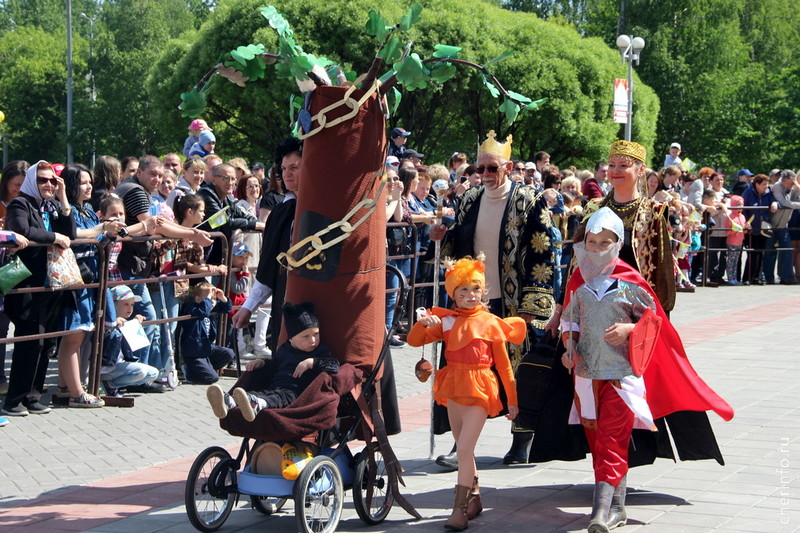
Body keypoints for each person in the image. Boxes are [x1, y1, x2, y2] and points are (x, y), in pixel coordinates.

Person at [560, 207, 733, 532]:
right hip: (585, 377)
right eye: (592, 242)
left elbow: (655, 321)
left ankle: (599, 513)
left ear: (617, 243)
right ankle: (618, 508)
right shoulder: (579, 279)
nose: (596, 248)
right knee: (599, 442)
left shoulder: (630, 279)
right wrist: (569, 346)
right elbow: (571, 321)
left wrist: (629, 331)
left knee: (612, 438)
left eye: (604, 242)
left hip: (623, 377)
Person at [429, 130, 555, 467]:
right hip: (473, 303)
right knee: (466, 372)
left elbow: (543, 253)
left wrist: (531, 311)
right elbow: (457, 245)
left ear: (508, 167)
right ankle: (463, 444)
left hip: (514, 303)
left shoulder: (529, 199)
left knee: (518, 372)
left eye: (491, 168)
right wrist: (440, 237)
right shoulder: (468, 200)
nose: (484, 175)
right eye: (479, 169)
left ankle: (522, 439)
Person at [407, 256, 525, 531]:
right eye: (463, 290)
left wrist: (513, 402)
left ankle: (458, 511)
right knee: (464, 450)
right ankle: (474, 499)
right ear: (453, 293)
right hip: (453, 386)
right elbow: (413, 341)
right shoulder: (446, 322)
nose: (470, 295)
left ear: (483, 292)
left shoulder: (491, 322)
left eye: (475, 289)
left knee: (463, 449)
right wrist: (423, 323)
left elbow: (505, 366)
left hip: (481, 387)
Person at [115, 155, 213, 370]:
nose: (157, 179)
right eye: (152, 174)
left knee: (143, 318)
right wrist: (193, 234)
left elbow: (157, 224)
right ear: (139, 172)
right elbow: (155, 227)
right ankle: (141, 370)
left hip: (132, 265)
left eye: (160, 175)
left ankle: (143, 371)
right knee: (147, 318)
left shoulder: (131, 189)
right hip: (128, 265)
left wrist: (191, 232)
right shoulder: (136, 192)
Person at [2, 161, 76, 416]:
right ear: (32, 181)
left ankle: (33, 396)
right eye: (43, 180)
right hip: (27, 283)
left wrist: (64, 200)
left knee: (46, 342)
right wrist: (54, 238)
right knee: (29, 341)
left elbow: (71, 234)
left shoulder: (52, 205)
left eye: (52, 180)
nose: (48, 184)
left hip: (51, 283)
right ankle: (14, 400)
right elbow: (22, 229)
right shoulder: (20, 204)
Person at [57, 164, 126, 407]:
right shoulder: (65, 209)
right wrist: (102, 229)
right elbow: (73, 234)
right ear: (72, 185)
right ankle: (77, 393)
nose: (89, 187)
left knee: (84, 333)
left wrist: (107, 234)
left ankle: (69, 386)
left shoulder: (87, 209)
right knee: (74, 336)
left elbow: (94, 236)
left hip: (92, 274)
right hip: (75, 276)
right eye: (84, 182)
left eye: (90, 182)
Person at [206, 301, 340, 422]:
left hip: (297, 393)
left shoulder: (319, 351)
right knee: (263, 394)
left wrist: (312, 362)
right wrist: (263, 363)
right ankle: (231, 401)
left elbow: (334, 365)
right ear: (292, 339)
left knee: (278, 398)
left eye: (316, 334)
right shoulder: (285, 349)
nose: (313, 340)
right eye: (306, 336)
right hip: (276, 386)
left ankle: (256, 404)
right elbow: (276, 364)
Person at [197, 163, 264, 267]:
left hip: (215, 254)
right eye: (226, 178)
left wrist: (259, 223)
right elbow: (222, 220)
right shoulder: (206, 193)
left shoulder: (227, 198)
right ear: (214, 180)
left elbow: (242, 215)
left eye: (233, 179)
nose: (231, 183)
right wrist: (253, 225)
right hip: (198, 250)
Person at [0, 160, 29, 395]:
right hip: (3, 270)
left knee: (18, 322)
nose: (18, 189)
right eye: (15, 184)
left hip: (20, 271)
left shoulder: (30, 205)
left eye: (23, 184)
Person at [101, 286, 160, 396]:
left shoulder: (124, 322)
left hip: (118, 365)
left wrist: (135, 322)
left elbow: (132, 342)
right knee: (140, 371)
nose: (130, 308)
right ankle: (110, 385)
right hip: (106, 368)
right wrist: (113, 323)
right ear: (113, 305)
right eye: (126, 304)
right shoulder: (106, 322)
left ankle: (112, 385)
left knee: (153, 373)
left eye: (132, 304)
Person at [179, 282, 234, 384]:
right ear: (198, 299)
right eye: (208, 298)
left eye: (213, 298)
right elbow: (202, 312)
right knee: (212, 379)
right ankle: (190, 372)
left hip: (206, 348)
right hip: (194, 352)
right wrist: (208, 300)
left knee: (229, 353)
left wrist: (222, 298)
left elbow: (227, 309)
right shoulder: (190, 308)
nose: (212, 301)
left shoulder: (208, 306)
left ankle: (205, 368)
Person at [765, 170, 800, 285]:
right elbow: (783, 202)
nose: (790, 186)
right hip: (772, 224)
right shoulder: (777, 186)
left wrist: (796, 185)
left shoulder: (792, 187)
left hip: (784, 225)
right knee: (770, 251)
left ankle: (786, 277)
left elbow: (795, 198)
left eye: (792, 183)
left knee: (787, 250)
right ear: (783, 181)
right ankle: (768, 277)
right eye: (789, 183)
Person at [742, 174, 777, 285]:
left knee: (761, 253)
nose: (766, 186)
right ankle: (747, 277)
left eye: (767, 184)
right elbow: (743, 208)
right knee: (753, 253)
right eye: (764, 184)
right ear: (757, 184)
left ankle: (757, 277)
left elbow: (775, 200)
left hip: (764, 228)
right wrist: (746, 222)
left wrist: (775, 203)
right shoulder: (748, 192)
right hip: (752, 228)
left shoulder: (768, 193)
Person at [722, 195, 748, 285]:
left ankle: (734, 277)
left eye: (742, 204)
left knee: (736, 261)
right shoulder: (731, 216)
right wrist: (735, 230)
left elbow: (744, 231)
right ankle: (730, 278)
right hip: (732, 242)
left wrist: (746, 228)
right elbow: (727, 230)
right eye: (738, 204)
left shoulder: (742, 217)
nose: (740, 206)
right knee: (731, 261)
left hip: (739, 242)